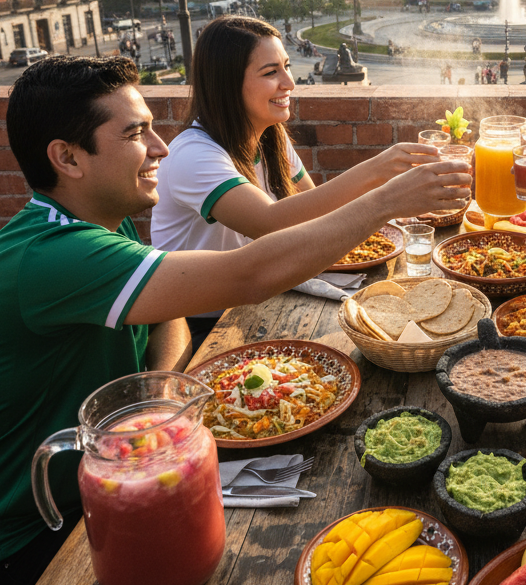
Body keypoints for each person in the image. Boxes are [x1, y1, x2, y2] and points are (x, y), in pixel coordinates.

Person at [0, 56, 470, 580]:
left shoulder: (99, 222)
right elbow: (249, 274)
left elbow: (168, 315)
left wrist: (162, 408)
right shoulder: (52, 255)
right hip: (49, 533)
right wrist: (384, 201)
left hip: (136, 479)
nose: (159, 148)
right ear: (67, 157)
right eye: (135, 134)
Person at [150, 16, 439, 343]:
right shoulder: (193, 155)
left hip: (265, 297)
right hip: (204, 324)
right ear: (226, 84)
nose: (289, 82)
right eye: (270, 72)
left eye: (286, 66)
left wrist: (390, 179)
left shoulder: (269, 135)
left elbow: (316, 211)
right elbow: (268, 222)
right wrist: (381, 177)